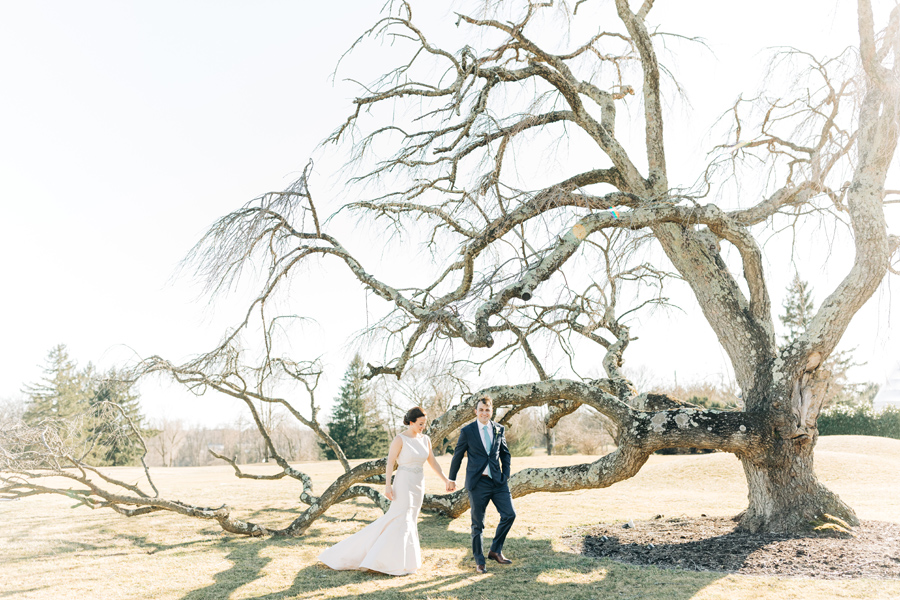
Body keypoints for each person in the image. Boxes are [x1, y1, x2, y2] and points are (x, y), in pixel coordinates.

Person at [317, 406, 454, 576]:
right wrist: (387, 486)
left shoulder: (425, 439)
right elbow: (390, 463)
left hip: (419, 483)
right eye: (420, 424)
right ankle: (385, 561)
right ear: (411, 422)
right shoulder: (400, 439)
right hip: (403, 482)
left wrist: (446, 479)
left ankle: (407, 562)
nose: (423, 427)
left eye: (424, 424)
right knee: (399, 518)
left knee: (411, 519)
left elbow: (432, 462)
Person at [448, 395, 516, 574]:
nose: (484, 413)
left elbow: (505, 454)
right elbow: (457, 455)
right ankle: (479, 561)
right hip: (477, 483)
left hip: (498, 482)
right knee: (478, 524)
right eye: (481, 410)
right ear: (475, 412)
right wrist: (451, 478)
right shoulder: (467, 431)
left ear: (491, 411)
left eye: (487, 410)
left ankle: (495, 550)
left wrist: (505, 474)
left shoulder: (499, 429)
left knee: (509, 514)